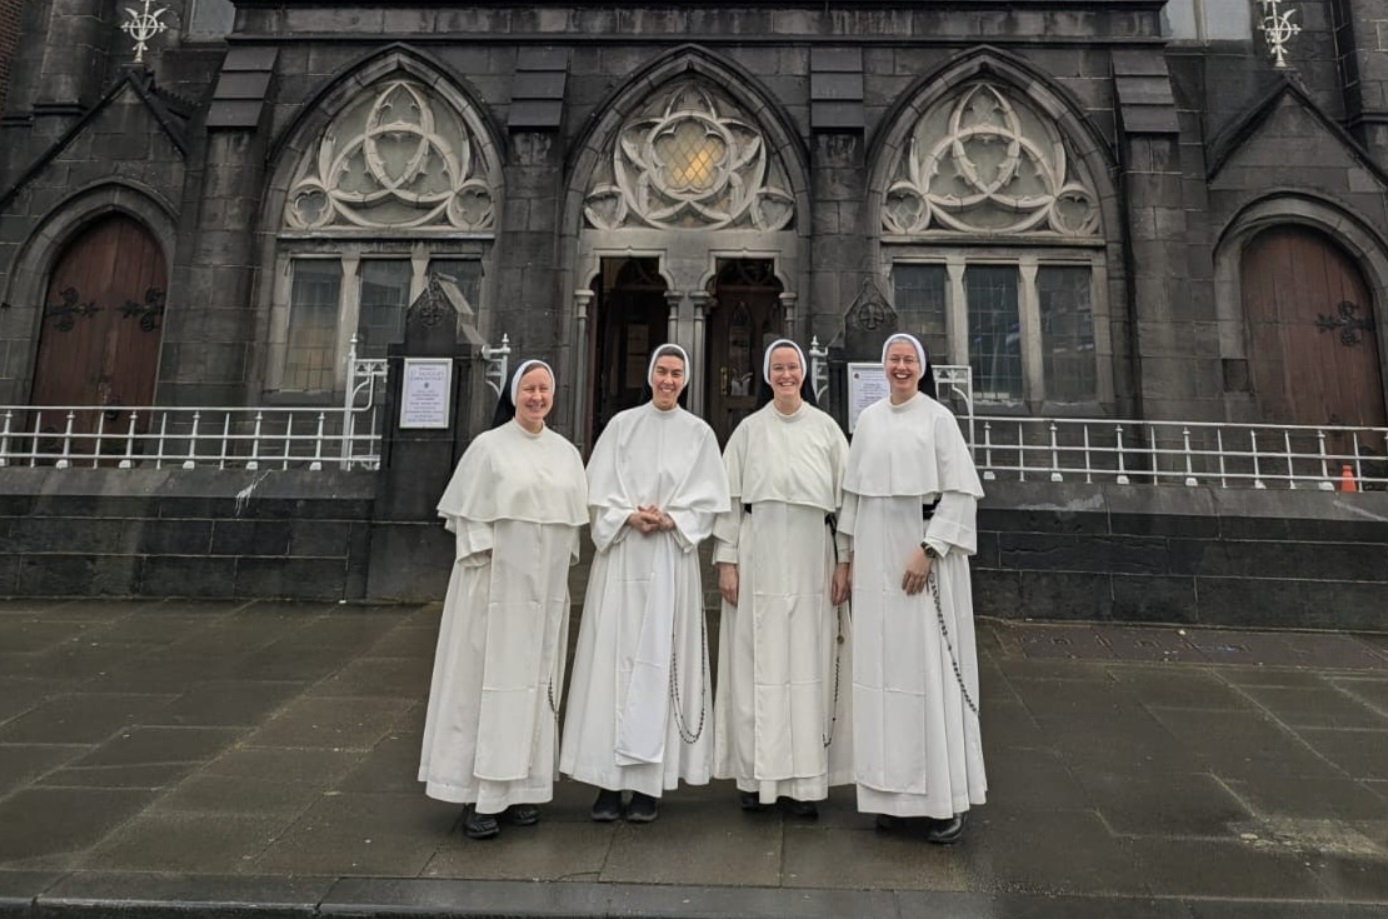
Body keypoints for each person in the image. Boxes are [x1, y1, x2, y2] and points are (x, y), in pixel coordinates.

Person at [560, 343, 731, 824]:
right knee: (610, 664)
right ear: (650, 374)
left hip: (669, 560)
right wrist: (627, 515)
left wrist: (672, 519)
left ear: (686, 379)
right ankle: (608, 784)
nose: (668, 380)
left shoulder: (699, 434)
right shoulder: (621, 427)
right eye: (662, 371)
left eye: (677, 373)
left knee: (662, 663)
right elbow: (597, 496)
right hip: (622, 559)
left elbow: (709, 502)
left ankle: (649, 785)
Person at [419, 360, 588, 840]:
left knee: (535, 686)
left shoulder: (565, 453)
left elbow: (570, 527)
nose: (537, 397)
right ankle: (480, 796)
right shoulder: (488, 448)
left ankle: (523, 789)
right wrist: (495, 564)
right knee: (485, 687)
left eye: (544, 389)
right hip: (494, 594)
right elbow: (469, 524)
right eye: (529, 389)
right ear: (514, 394)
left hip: (541, 595)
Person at [838, 332, 987, 844]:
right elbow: (854, 498)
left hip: (919, 558)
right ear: (883, 367)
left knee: (927, 674)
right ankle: (890, 797)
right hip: (877, 562)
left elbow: (961, 493)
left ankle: (940, 800)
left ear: (920, 368)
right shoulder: (870, 421)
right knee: (880, 679)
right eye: (893, 360)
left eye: (908, 360)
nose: (900, 367)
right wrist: (847, 559)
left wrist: (928, 549)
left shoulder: (938, 419)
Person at [712, 339, 854, 819]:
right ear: (767, 376)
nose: (786, 374)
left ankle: (804, 783)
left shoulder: (828, 431)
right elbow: (730, 501)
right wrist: (727, 559)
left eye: (793, 367)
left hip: (813, 555)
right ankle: (756, 779)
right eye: (777, 367)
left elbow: (845, 504)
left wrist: (844, 560)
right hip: (760, 554)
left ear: (803, 374)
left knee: (809, 663)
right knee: (757, 664)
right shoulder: (749, 431)